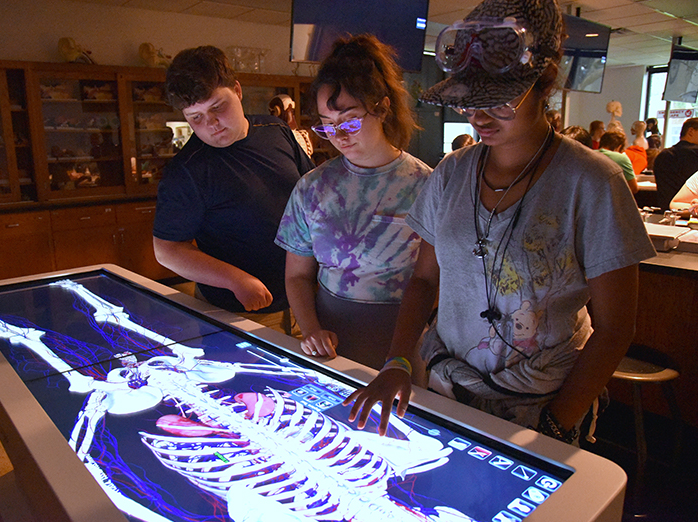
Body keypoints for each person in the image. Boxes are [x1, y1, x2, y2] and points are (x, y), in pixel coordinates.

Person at [344, 0, 656, 445]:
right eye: (470, 102)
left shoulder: (591, 181)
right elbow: (424, 281)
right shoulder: (451, 172)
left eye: (499, 100)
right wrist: (397, 362)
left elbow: (615, 327)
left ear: (544, 83)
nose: (480, 116)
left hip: (545, 399)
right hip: (448, 385)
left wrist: (556, 424)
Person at [275, 34, 432, 370]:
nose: (339, 136)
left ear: (382, 107)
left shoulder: (425, 185)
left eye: (348, 120)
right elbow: (297, 276)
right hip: (331, 337)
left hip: (404, 340)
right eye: (327, 126)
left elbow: (438, 280)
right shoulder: (312, 188)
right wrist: (312, 329)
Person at [153, 46, 314, 331]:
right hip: (242, 311)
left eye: (217, 107)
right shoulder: (187, 171)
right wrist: (234, 279)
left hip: (307, 297)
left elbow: (313, 191)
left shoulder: (275, 129)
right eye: (196, 118)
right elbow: (167, 250)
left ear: (238, 91)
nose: (211, 124)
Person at [653, 117, 698, 209]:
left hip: (667, 212)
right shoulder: (694, 154)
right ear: (691, 131)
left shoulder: (663, 155)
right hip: (691, 212)